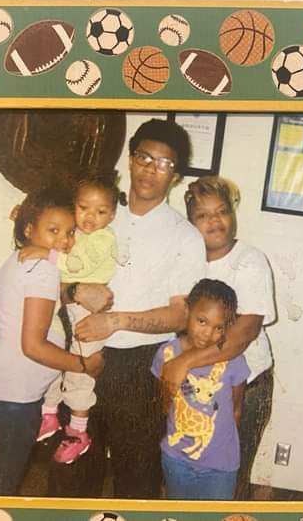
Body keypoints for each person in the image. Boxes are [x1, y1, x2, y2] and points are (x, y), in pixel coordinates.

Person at [53, 118, 207, 498]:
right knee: (72, 468)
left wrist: (115, 321)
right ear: (130, 159)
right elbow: (46, 278)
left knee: (137, 477)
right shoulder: (95, 213)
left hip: (140, 366)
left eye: (164, 164)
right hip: (79, 353)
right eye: (144, 157)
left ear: (176, 176)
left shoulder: (185, 236)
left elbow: (181, 314)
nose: (151, 169)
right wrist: (75, 290)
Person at [0, 186, 104, 496]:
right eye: (53, 230)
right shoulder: (42, 269)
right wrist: (84, 365)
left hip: (5, 388)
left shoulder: (24, 260)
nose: (64, 240)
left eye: (70, 232)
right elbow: (32, 346)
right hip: (12, 395)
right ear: (29, 229)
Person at [163, 175, 276, 500]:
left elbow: (244, 333)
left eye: (222, 211)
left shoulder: (249, 260)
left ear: (232, 215)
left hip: (246, 387)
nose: (214, 220)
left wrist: (185, 361)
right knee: (186, 462)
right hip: (193, 387)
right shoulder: (186, 261)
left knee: (231, 473)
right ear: (190, 223)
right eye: (203, 215)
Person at [32, 177, 121, 465]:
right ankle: (49, 413)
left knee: (80, 370)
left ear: (112, 215)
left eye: (101, 211)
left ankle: (78, 432)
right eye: (84, 208)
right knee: (52, 352)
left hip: (89, 312)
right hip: (67, 305)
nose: (90, 217)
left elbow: (76, 265)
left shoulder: (103, 238)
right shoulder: (75, 232)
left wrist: (45, 254)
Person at [151, 278, 249, 500]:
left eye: (218, 327)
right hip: (176, 459)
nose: (208, 333)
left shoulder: (234, 361)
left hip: (220, 465)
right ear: (187, 312)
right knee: (179, 511)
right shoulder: (166, 354)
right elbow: (165, 402)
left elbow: (236, 409)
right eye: (202, 321)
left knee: (215, 514)